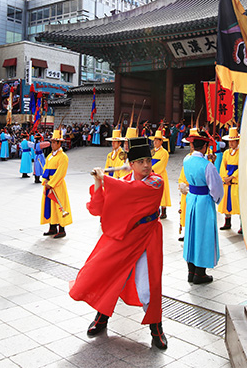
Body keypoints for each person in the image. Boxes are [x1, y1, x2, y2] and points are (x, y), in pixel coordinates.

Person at [70, 136, 168, 350]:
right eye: (140, 161)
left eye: (148, 161)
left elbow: (132, 193)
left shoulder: (155, 182)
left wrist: (107, 180)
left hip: (147, 237)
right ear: (131, 164)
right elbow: (98, 208)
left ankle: (156, 327)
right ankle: (102, 317)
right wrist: (99, 183)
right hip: (123, 239)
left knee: (147, 285)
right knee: (110, 276)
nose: (146, 165)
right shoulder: (122, 182)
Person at [182, 130, 223, 284]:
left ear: (192, 145)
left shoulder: (187, 160)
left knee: (191, 234)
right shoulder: (208, 166)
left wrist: (208, 159)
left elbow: (196, 162)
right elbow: (216, 188)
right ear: (205, 146)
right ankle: (200, 273)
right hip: (204, 201)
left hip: (192, 198)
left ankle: (190, 271)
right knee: (203, 235)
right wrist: (216, 199)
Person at [40, 129, 72, 238]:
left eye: (54, 142)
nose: (52, 144)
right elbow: (45, 168)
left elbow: (60, 173)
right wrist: (45, 180)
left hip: (57, 185)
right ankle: (52, 227)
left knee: (59, 205)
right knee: (50, 206)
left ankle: (62, 229)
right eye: (52, 142)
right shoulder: (49, 156)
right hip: (49, 184)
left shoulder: (63, 157)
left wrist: (52, 183)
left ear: (59, 143)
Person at [219, 127, 241, 233]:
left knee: (239, 202)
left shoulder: (241, 152)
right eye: (229, 141)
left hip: (236, 181)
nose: (231, 143)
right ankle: (227, 222)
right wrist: (225, 177)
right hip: (227, 181)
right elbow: (222, 166)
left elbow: (242, 166)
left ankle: (242, 225)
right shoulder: (226, 153)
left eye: (233, 141)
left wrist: (232, 177)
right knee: (226, 202)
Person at [151, 129, 171, 219]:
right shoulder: (152, 151)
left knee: (162, 192)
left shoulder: (164, 153)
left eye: (157, 140)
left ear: (161, 142)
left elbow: (162, 164)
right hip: (151, 173)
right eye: (154, 140)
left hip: (160, 173)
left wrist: (152, 169)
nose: (155, 142)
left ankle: (163, 211)